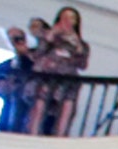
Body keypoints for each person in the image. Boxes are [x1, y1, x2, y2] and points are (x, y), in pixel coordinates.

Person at [26, 6, 88, 137]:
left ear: (76, 22)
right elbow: (38, 54)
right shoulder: (49, 35)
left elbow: (82, 65)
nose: (67, 21)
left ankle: (61, 135)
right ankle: (33, 133)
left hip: (67, 78)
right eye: (64, 17)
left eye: (72, 18)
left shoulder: (81, 43)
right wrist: (51, 35)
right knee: (39, 105)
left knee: (67, 108)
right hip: (47, 76)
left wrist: (77, 47)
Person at [0, 26, 34, 133]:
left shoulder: (34, 61)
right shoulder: (5, 65)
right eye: (13, 39)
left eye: (19, 38)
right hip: (8, 107)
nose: (17, 42)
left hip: (27, 109)